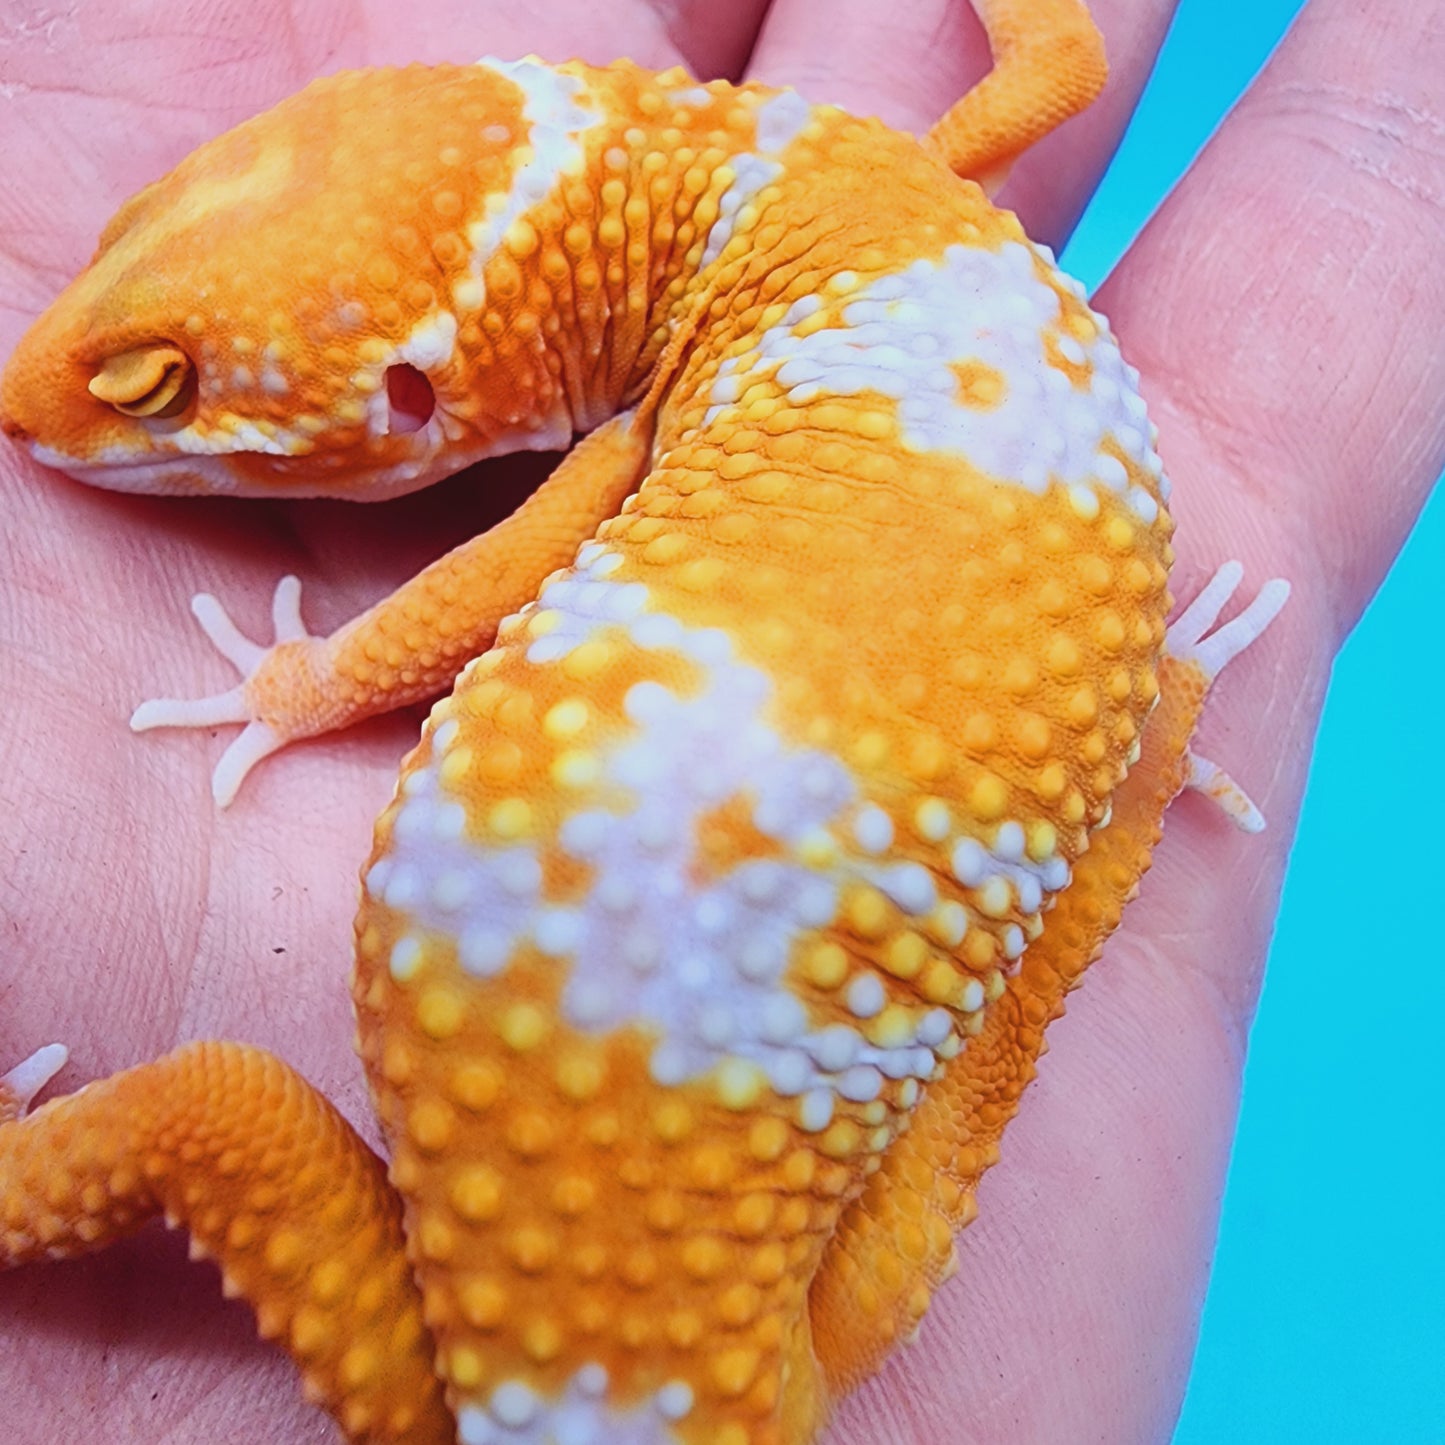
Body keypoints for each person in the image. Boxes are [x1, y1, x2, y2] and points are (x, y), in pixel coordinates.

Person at [0, 0, 1438, 1440]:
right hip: (692, 1123)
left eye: (157, 389)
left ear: (415, 389)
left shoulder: (825, 1335)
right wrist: (1125, 781)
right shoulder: (863, 200)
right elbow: (1052, 64)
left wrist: (302, 687)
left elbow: (941, 1138)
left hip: (745, 1248)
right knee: (222, 1122)